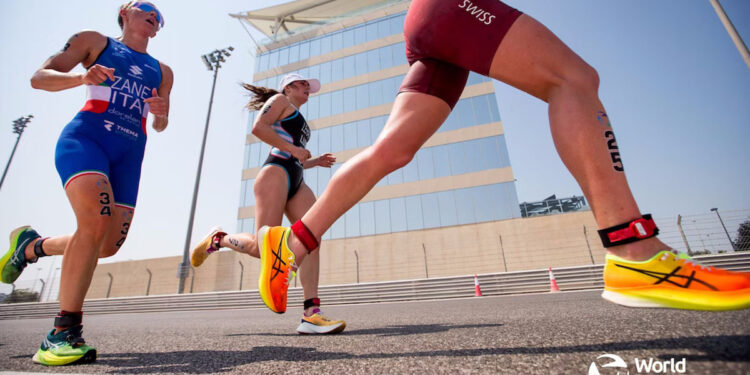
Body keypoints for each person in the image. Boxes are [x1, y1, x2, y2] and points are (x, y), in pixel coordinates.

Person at [255, 0, 750, 313]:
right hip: (451, 7)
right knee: (574, 78)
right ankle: (633, 249)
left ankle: (290, 247)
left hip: (432, 21)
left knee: (393, 150)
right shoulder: (281, 103)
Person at [0, 1, 173, 365]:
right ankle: (61, 333)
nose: (153, 16)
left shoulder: (163, 71)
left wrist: (160, 116)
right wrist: (81, 77)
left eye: (159, 16)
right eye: (146, 8)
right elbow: (39, 77)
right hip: (87, 141)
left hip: (130, 154)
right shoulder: (94, 41)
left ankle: (31, 246)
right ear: (124, 12)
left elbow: (159, 123)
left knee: (107, 243)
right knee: (93, 222)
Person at [190, 73, 346, 334]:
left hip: (296, 176)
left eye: (309, 86)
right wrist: (294, 151)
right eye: (303, 84)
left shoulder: (299, 116)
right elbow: (259, 128)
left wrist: (313, 161)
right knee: (267, 250)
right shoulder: (279, 100)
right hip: (275, 173)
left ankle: (311, 313)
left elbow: (295, 154)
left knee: (312, 239)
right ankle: (220, 239)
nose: (308, 88)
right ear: (289, 87)